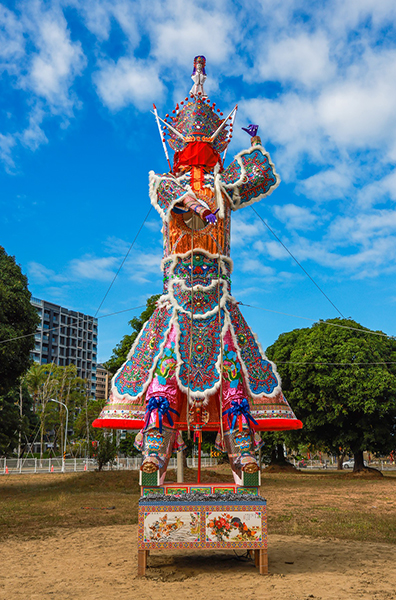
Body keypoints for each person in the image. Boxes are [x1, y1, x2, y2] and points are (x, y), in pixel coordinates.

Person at [94, 58, 302, 484]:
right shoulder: (166, 183)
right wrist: (198, 200)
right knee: (164, 369)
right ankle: (155, 452)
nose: (199, 152)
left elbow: (259, 175)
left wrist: (253, 146)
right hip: (178, 297)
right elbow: (181, 204)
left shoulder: (223, 187)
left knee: (232, 374)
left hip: (218, 298)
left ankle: (242, 452)